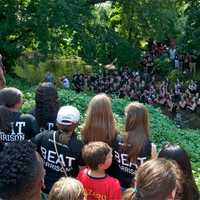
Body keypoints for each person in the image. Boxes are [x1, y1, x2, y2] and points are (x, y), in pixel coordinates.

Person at [32, 105, 83, 195]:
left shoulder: (43, 136)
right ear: (77, 124)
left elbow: (29, 150)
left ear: (57, 122)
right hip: (64, 193)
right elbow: (82, 171)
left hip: (43, 188)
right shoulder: (79, 145)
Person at [110, 102, 157, 189]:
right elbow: (152, 174)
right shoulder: (150, 147)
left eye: (125, 116)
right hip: (137, 191)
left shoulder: (116, 139)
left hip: (117, 187)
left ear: (129, 119)